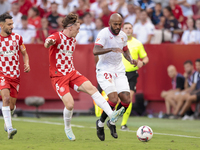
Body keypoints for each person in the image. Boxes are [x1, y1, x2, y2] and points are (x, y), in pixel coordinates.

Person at [44, 13, 125, 141]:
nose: (79, 30)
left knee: (92, 88)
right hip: (58, 76)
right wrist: (48, 42)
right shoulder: (57, 36)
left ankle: (111, 115)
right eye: (78, 28)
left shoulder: (73, 40)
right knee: (70, 105)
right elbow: (49, 41)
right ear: (70, 27)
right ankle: (67, 127)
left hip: (71, 73)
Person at [93, 13, 137, 141]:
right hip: (105, 69)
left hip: (119, 70)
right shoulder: (103, 34)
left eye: (119, 24)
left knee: (126, 99)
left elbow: (125, 49)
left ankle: (111, 123)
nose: (118, 27)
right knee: (113, 98)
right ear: (110, 24)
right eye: (115, 24)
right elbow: (95, 51)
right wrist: (111, 49)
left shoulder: (123, 36)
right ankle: (100, 124)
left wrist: (130, 59)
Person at [0, 12, 30, 139]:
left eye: (12, 24)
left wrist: (27, 63)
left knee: (11, 105)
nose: (12, 26)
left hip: (15, 75)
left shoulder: (17, 38)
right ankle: (10, 129)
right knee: (5, 99)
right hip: (2, 74)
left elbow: (24, 53)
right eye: (9, 24)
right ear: (1, 25)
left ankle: (7, 122)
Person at [119, 22, 149, 130]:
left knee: (129, 98)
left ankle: (123, 124)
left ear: (132, 30)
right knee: (117, 98)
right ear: (122, 30)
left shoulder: (137, 43)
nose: (128, 30)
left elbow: (145, 58)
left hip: (132, 73)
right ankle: (113, 118)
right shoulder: (118, 42)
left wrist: (142, 63)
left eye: (130, 28)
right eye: (126, 28)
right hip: (119, 72)